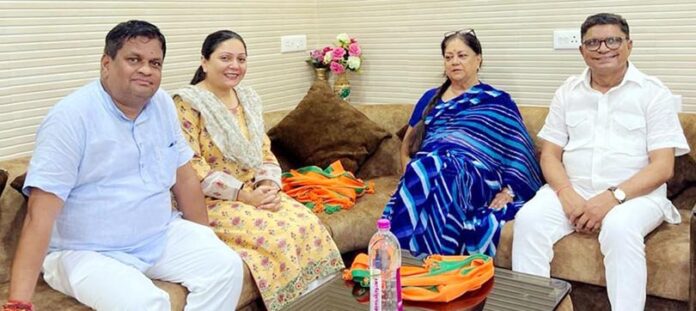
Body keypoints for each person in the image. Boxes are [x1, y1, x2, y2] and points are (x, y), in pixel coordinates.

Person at [2, 21, 244, 311]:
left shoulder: (163, 105)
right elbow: (38, 215)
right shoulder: (70, 118)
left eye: (155, 63)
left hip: (158, 235)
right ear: (107, 63)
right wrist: (18, 303)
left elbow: (185, 179)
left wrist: (205, 238)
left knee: (226, 267)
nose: (146, 70)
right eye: (134, 60)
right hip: (85, 252)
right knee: (145, 302)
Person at [512, 13, 689, 310]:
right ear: (582, 50)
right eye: (593, 42)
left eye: (613, 40)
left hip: (636, 197)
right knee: (528, 221)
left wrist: (612, 198)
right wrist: (566, 193)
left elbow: (663, 166)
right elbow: (550, 154)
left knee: (619, 227)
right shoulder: (567, 92)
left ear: (629, 45)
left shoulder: (653, 93)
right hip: (574, 189)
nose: (603, 48)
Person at [172, 30, 344, 311]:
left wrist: (268, 186)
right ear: (204, 62)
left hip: (255, 193)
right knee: (278, 236)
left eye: (241, 59)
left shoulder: (248, 99)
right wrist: (244, 196)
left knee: (307, 224)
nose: (234, 66)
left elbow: (264, 151)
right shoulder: (186, 104)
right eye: (225, 58)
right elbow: (191, 167)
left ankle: (320, 304)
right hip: (212, 201)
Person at [382, 29, 542, 258]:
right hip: (427, 170)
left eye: (462, 55)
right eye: (449, 57)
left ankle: (419, 264)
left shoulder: (498, 101)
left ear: (478, 59)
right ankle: (415, 267)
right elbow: (407, 146)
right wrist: (409, 170)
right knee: (433, 168)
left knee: (447, 169)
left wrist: (509, 191)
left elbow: (520, 153)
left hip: (478, 177)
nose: (454, 62)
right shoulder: (430, 98)